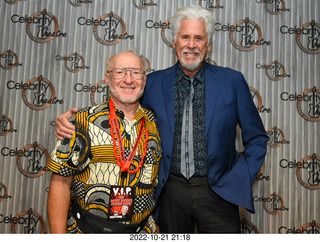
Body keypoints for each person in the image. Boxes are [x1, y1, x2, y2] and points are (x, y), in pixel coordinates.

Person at [54, 6, 269, 233]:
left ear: (208, 45)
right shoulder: (152, 83)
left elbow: (257, 137)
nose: (191, 45)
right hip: (168, 194)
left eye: (199, 38)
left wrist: (241, 177)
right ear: (174, 42)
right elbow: (124, 111)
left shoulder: (232, 81)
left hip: (218, 193)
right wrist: (71, 123)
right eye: (185, 37)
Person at [47, 50, 162, 234]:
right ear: (107, 79)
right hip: (86, 231)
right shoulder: (81, 121)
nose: (128, 79)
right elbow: (61, 181)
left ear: (145, 80)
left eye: (135, 72)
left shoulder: (156, 123)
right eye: (120, 72)